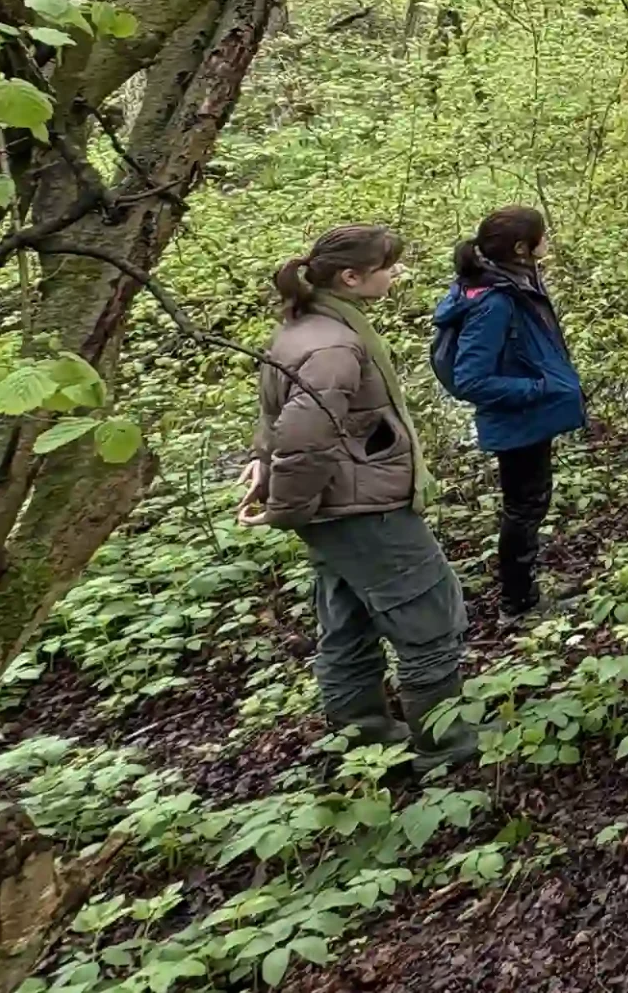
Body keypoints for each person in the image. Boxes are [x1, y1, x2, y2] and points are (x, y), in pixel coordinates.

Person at [239, 225, 477, 771]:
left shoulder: (303, 328)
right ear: (351, 277)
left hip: (337, 508)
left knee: (348, 621)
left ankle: (363, 739)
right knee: (428, 618)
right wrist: (285, 508)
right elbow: (301, 436)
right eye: (387, 267)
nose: (396, 276)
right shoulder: (332, 346)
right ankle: (445, 748)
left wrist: (267, 469)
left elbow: (276, 417)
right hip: (363, 508)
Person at [433, 206, 585, 619]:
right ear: (521, 248)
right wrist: (539, 388)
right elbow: (471, 380)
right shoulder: (494, 302)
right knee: (524, 507)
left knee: (530, 502)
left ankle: (524, 588)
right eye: (542, 236)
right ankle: (518, 603)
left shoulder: (509, 277)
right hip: (519, 416)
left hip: (529, 414)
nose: (548, 241)